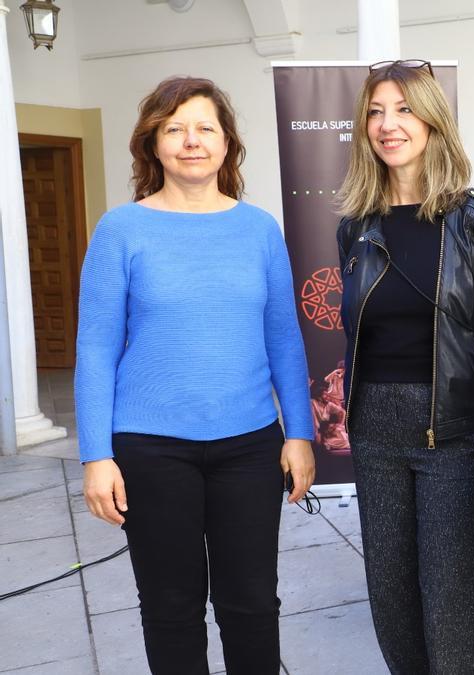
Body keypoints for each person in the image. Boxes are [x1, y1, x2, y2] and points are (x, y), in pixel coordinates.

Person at [76, 76, 315, 674]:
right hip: (152, 451)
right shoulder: (121, 230)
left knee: (253, 604)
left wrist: (300, 433)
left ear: (227, 144)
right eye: (174, 128)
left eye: (205, 127)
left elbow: (284, 338)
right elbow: (96, 350)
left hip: (248, 446)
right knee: (170, 607)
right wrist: (95, 456)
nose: (191, 141)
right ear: (152, 144)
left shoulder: (259, 229)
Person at [335, 59, 474, 674]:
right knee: (391, 598)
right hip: (376, 432)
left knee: (455, 606)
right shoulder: (355, 227)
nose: (389, 125)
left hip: (458, 432)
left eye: (404, 109)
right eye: (375, 112)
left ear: (434, 120)